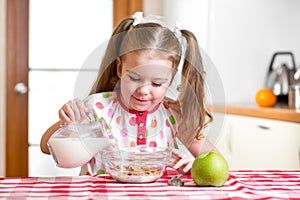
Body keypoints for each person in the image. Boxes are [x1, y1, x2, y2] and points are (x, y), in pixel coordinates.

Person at [40, 12, 219, 175]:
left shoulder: (174, 114)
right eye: (134, 78)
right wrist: (71, 125)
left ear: (170, 80)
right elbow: (46, 146)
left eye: (157, 83)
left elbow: (215, 160)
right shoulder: (96, 108)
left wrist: (194, 164)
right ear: (119, 68)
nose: (143, 90)